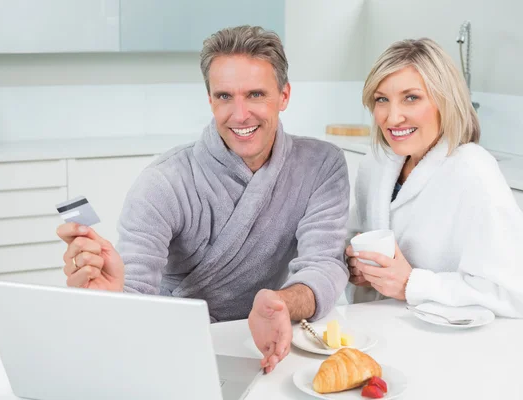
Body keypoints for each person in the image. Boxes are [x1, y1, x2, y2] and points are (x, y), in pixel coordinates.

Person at [57, 25, 351, 373]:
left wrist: (279, 303)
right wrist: (113, 296)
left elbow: (325, 265)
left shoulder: (321, 165)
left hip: (274, 339)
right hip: (181, 342)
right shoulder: (163, 182)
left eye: (255, 94)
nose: (239, 115)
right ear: (210, 99)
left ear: (284, 96)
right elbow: (136, 287)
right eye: (225, 96)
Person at [345, 38, 523, 317]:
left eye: (411, 98)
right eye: (382, 99)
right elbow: (353, 237)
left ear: (445, 101)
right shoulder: (376, 166)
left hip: (446, 346)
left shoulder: (473, 172)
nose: (393, 118)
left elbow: (512, 293)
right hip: (377, 332)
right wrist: (354, 265)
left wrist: (412, 284)